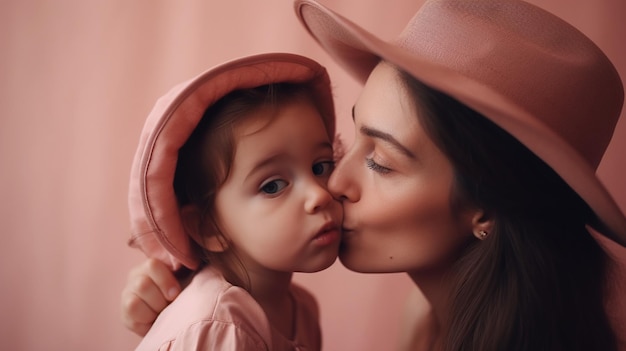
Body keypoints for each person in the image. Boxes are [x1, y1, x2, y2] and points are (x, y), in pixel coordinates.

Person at [121, 0, 626, 350]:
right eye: (348, 142)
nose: (332, 185)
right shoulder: (427, 320)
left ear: (488, 207)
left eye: (381, 162)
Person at [125, 52, 343, 350]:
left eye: (321, 166)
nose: (320, 194)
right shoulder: (221, 325)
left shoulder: (302, 309)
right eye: (273, 186)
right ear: (208, 228)